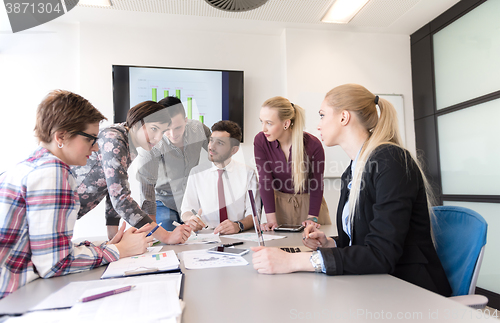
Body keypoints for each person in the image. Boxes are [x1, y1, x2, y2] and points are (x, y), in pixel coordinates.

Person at [251, 84, 452, 297]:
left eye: (322, 115)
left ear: (344, 117)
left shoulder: (391, 162)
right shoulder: (353, 169)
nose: (317, 125)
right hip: (374, 284)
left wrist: (293, 261)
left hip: (408, 290)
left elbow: (381, 253)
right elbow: (363, 240)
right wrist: (330, 243)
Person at [0, 90, 154, 299]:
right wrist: (118, 251)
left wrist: (109, 246)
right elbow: (54, 264)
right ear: (61, 136)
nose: (97, 146)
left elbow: (46, 250)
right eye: (91, 138)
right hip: (11, 296)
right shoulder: (52, 172)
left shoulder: (31, 166)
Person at [72, 101, 191, 244]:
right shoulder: (115, 140)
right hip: (58, 209)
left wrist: (113, 236)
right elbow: (121, 198)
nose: (158, 138)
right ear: (136, 123)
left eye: (162, 132)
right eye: (154, 129)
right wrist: (166, 236)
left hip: (70, 212)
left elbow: (113, 189)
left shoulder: (127, 141)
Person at [254, 96, 330, 231]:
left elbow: (316, 183)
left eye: (269, 123)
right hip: (280, 207)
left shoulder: (313, 144)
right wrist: (271, 220)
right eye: (261, 122)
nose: (263, 128)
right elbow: (265, 180)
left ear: (286, 123)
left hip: (311, 207)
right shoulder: (261, 141)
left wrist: (312, 218)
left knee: (314, 248)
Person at [136, 96, 211, 232]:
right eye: (166, 129)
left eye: (178, 127)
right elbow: (146, 186)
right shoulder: (151, 145)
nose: (173, 134)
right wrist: (152, 229)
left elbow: (218, 155)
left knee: (203, 237)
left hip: (191, 200)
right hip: (163, 202)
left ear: (186, 121)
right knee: (167, 237)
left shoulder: (199, 129)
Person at [181, 120, 259, 234]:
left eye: (220, 143)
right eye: (211, 141)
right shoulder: (196, 173)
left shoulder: (248, 173)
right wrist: (190, 219)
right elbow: (186, 210)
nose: (211, 147)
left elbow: (254, 214)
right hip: (206, 236)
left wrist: (238, 225)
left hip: (238, 235)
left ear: (234, 150)